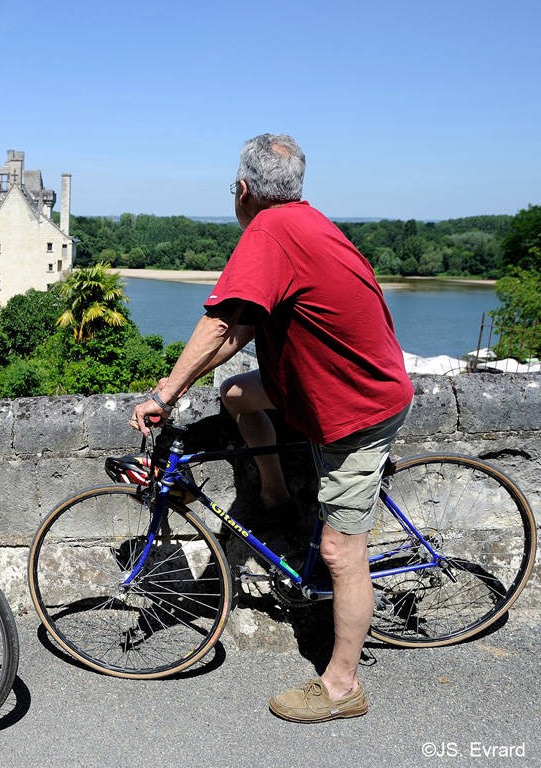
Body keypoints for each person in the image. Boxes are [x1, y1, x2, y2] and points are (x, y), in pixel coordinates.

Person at [130, 134, 413, 723]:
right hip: (321, 389)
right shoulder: (305, 223)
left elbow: (218, 326)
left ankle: (342, 688)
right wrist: (186, 383)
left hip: (355, 407)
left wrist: (163, 393)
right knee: (236, 392)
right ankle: (277, 492)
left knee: (340, 549)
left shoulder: (270, 230)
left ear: (242, 190)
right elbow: (241, 331)